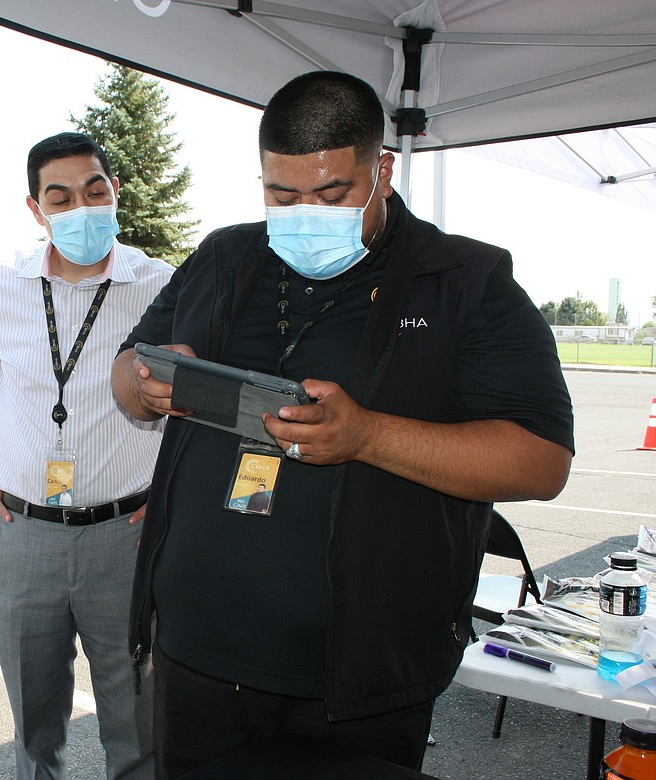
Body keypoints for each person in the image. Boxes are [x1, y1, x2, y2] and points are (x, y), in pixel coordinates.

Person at [112, 71, 575, 777]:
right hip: (195, 654)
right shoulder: (223, 257)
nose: (303, 213)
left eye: (330, 194)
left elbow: (540, 461)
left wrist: (368, 436)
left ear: (381, 171)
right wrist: (144, 388)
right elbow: (125, 369)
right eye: (281, 194)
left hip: (356, 680)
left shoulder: (466, 282)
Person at [0, 132, 173, 779]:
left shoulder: (159, 287)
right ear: (36, 209)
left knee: (137, 735)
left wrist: (175, 498)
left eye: (95, 191)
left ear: (115, 193)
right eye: (59, 197)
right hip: (23, 535)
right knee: (35, 737)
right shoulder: (0, 283)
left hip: (127, 539)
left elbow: (200, 403)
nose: (81, 208)